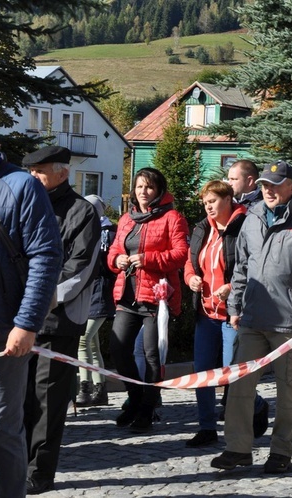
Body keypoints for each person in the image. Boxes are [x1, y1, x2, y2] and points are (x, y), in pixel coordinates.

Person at [210, 159, 292, 474]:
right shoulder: (253, 218)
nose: (268, 190)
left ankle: (281, 452)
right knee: (239, 388)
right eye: (265, 185)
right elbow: (241, 267)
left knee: (288, 390)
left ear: (291, 187)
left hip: (290, 324)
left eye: (275, 184)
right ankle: (238, 448)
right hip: (252, 319)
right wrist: (236, 307)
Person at [0, 115, 62, 498]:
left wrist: (27, 323)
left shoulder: (22, 187)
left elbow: (46, 257)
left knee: (5, 432)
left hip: (2, 336)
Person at [23, 145, 100, 495]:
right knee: (18, 399)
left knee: (47, 403)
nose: (33, 177)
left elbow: (80, 267)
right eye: (31, 171)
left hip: (58, 321)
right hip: (19, 321)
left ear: (63, 173)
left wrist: (39, 298)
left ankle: (38, 472)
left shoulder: (82, 212)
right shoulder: (25, 206)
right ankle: (15, 463)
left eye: (39, 171)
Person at [107, 167, 189, 432]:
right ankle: (135, 399)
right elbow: (114, 251)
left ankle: (146, 410)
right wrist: (116, 260)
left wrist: (148, 259)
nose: (143, 192)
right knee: (119, 350)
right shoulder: (126, 219)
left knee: (152, 356)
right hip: (128, 296)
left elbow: (180, 254)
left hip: (157, 297)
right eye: (140, 187)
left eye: (149, 187)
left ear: (159, 191)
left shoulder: (172, 218)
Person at [183, 180, 247, 447]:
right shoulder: (201, 228)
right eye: (205, 202)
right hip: (205, 312)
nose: (208, 206)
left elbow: (253, 265)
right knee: (203, 373)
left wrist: (231, 287)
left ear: (228, 199)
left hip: (233, 313)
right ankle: (207, 427)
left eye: (213, 201)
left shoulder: (244, 225)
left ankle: (252, 410)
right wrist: (190, 279)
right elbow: (190, 260)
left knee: (232, 373)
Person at [222, 159, 270, 434]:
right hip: (235, 295)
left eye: (233, 179)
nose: (229, 184)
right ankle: (239, 420)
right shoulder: (230, 207)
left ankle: (250, 411)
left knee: (239, 367)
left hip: (259, 298)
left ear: (250, 181)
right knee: (232, 366)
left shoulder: (256, 211)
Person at [75, 195, 117, 407]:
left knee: (83, 339)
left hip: (101, 292)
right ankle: (100, 389)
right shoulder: (82, 230)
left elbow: (109, 264)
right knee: (92, 343)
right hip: (86, 292)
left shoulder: (108, 233)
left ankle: (85, 387)